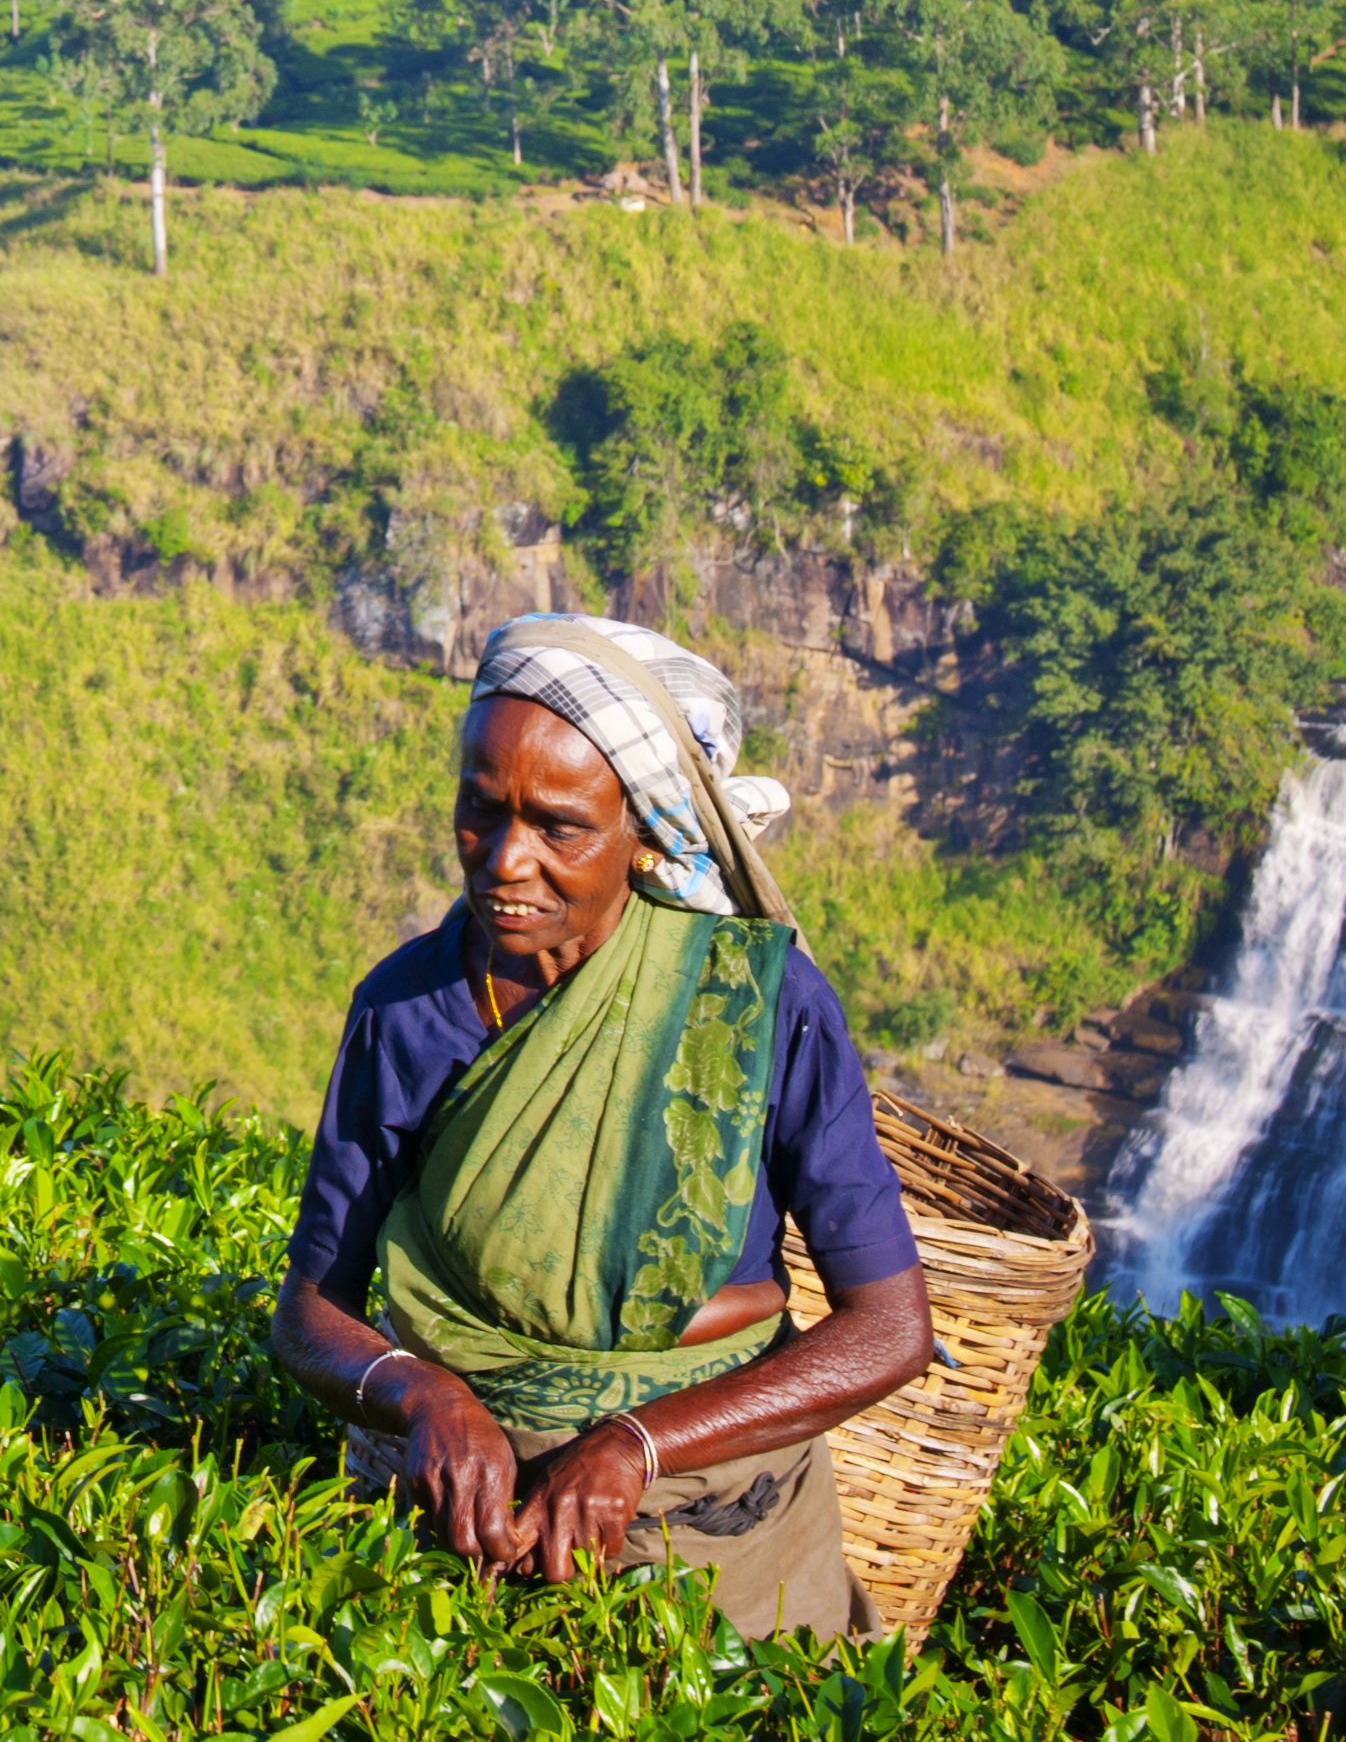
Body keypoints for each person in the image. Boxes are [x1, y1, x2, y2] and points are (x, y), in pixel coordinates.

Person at [268, 611, 930, 1638]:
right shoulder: (408, 1009)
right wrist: (427, 1399)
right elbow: (311, 1315)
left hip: (714, 1516)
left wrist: (637, 1444)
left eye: (559, 825)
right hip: (459, 1517)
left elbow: (889, 1328)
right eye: (479, 812)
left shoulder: (757, 1005)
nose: (502, 859)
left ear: (645, 834)